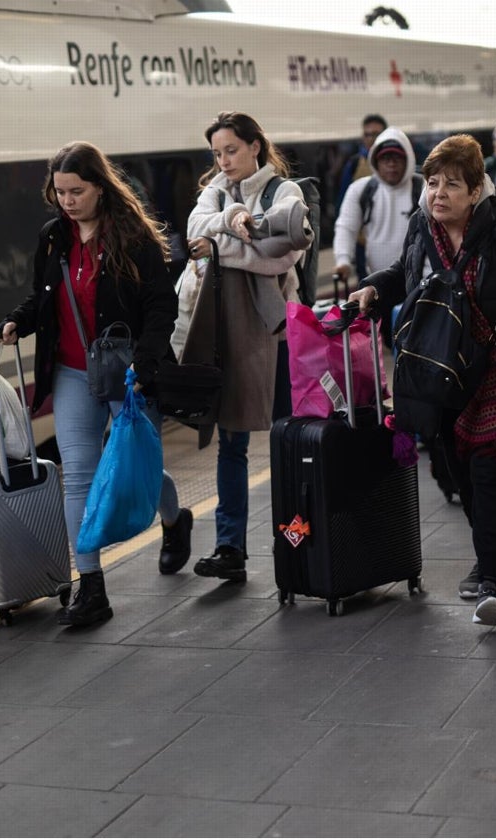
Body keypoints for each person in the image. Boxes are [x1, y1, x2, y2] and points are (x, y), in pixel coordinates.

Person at [349, 134, 496, 626]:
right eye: (433, 182)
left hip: (495, 370)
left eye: (452, 185)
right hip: (439, 371)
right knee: (455, 469)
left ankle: (488, 571)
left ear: (476, 188)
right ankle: (487, 553)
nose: (438, 193)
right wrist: (374, 288)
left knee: (489, 472)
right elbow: (406, 272)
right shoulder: (422, 226)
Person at [0, 141, 188, 627]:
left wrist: (145, 367)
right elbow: (43, 298)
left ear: (100, 187)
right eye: (59, 191)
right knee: (79, 474)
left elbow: (159, 308)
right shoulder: (52, 238)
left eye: (76, 191)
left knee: (136, 469)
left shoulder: (133, 238)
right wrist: (18, 321)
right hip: (70, 372)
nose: (66, 200)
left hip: (129, 374)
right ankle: (92, 586)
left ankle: (174, 518)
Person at [184, 111, 312, 584]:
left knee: (285, 441)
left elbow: (284, 253)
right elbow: (196, 226)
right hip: (229, 333)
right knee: (231, 443)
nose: (223, 161)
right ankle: (230, 547)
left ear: (255, 145)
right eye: (216, 153)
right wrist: (235, 222)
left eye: (231, 150)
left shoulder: (286, 193)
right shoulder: (215, 191)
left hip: (275, 333)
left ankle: (296, 540)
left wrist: (218, 248)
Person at [333, 127, 420, 287]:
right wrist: (343, 260)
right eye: (385, 158)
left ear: (408, 160)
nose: (391, 164)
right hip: (376, 284)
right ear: (375, 161)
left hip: (418, 283)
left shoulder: (423, 189)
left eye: (397, 158)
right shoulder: (361, 189)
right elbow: (346, 227)